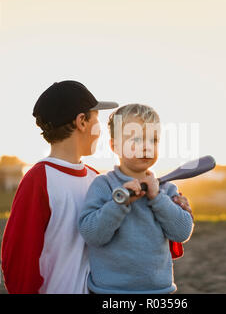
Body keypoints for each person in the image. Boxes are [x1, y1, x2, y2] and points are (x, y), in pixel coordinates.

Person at [1, 81, 192, 293]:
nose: (100, 129)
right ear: (82, 121)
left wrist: (170, 205)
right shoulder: (39, 179)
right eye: (96, 119)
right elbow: (19, 255)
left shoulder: (94, 177)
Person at [78, 103, 194, 294]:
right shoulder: (103, 185)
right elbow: (92, 234)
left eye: (153, 140)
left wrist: (158, 199)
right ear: (114, 146)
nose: (146, 147)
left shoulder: (166, 188)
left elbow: (182, 232)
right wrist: (119, 204)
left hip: (158, 291)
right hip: (109, 291)